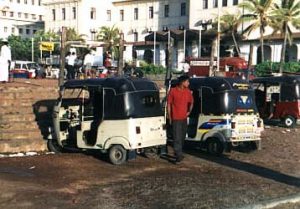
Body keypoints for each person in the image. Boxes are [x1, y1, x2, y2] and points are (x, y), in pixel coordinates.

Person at [167, 75, 194, 163]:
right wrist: (169, 117)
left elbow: (191, 102)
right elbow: (169, 105)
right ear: (182, 82)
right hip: (175, 118)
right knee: (177, 137)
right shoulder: (173, 91)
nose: (188, 83)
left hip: (184, 118)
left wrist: (189, 112)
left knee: (182, 137)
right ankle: (178, 155)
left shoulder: (188, 91)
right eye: (187, 81)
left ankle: (179, 152)